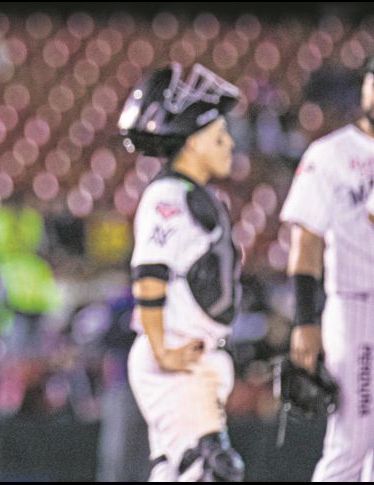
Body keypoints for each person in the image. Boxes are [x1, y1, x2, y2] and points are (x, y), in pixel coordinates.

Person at [118, 63, 245, 482]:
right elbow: (149, 276)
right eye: (219, 137)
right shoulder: (169, 194)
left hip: (189, 355)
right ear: (191, 144)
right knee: (210, 467)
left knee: (176, 468)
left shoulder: (192, 194)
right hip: (174, 354)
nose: (230, 145)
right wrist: (161, 350)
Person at [282, 58, 374, 482]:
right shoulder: (330, 154)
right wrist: (304, 322)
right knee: (351, 442)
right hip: (356, 307)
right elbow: (306, 244)